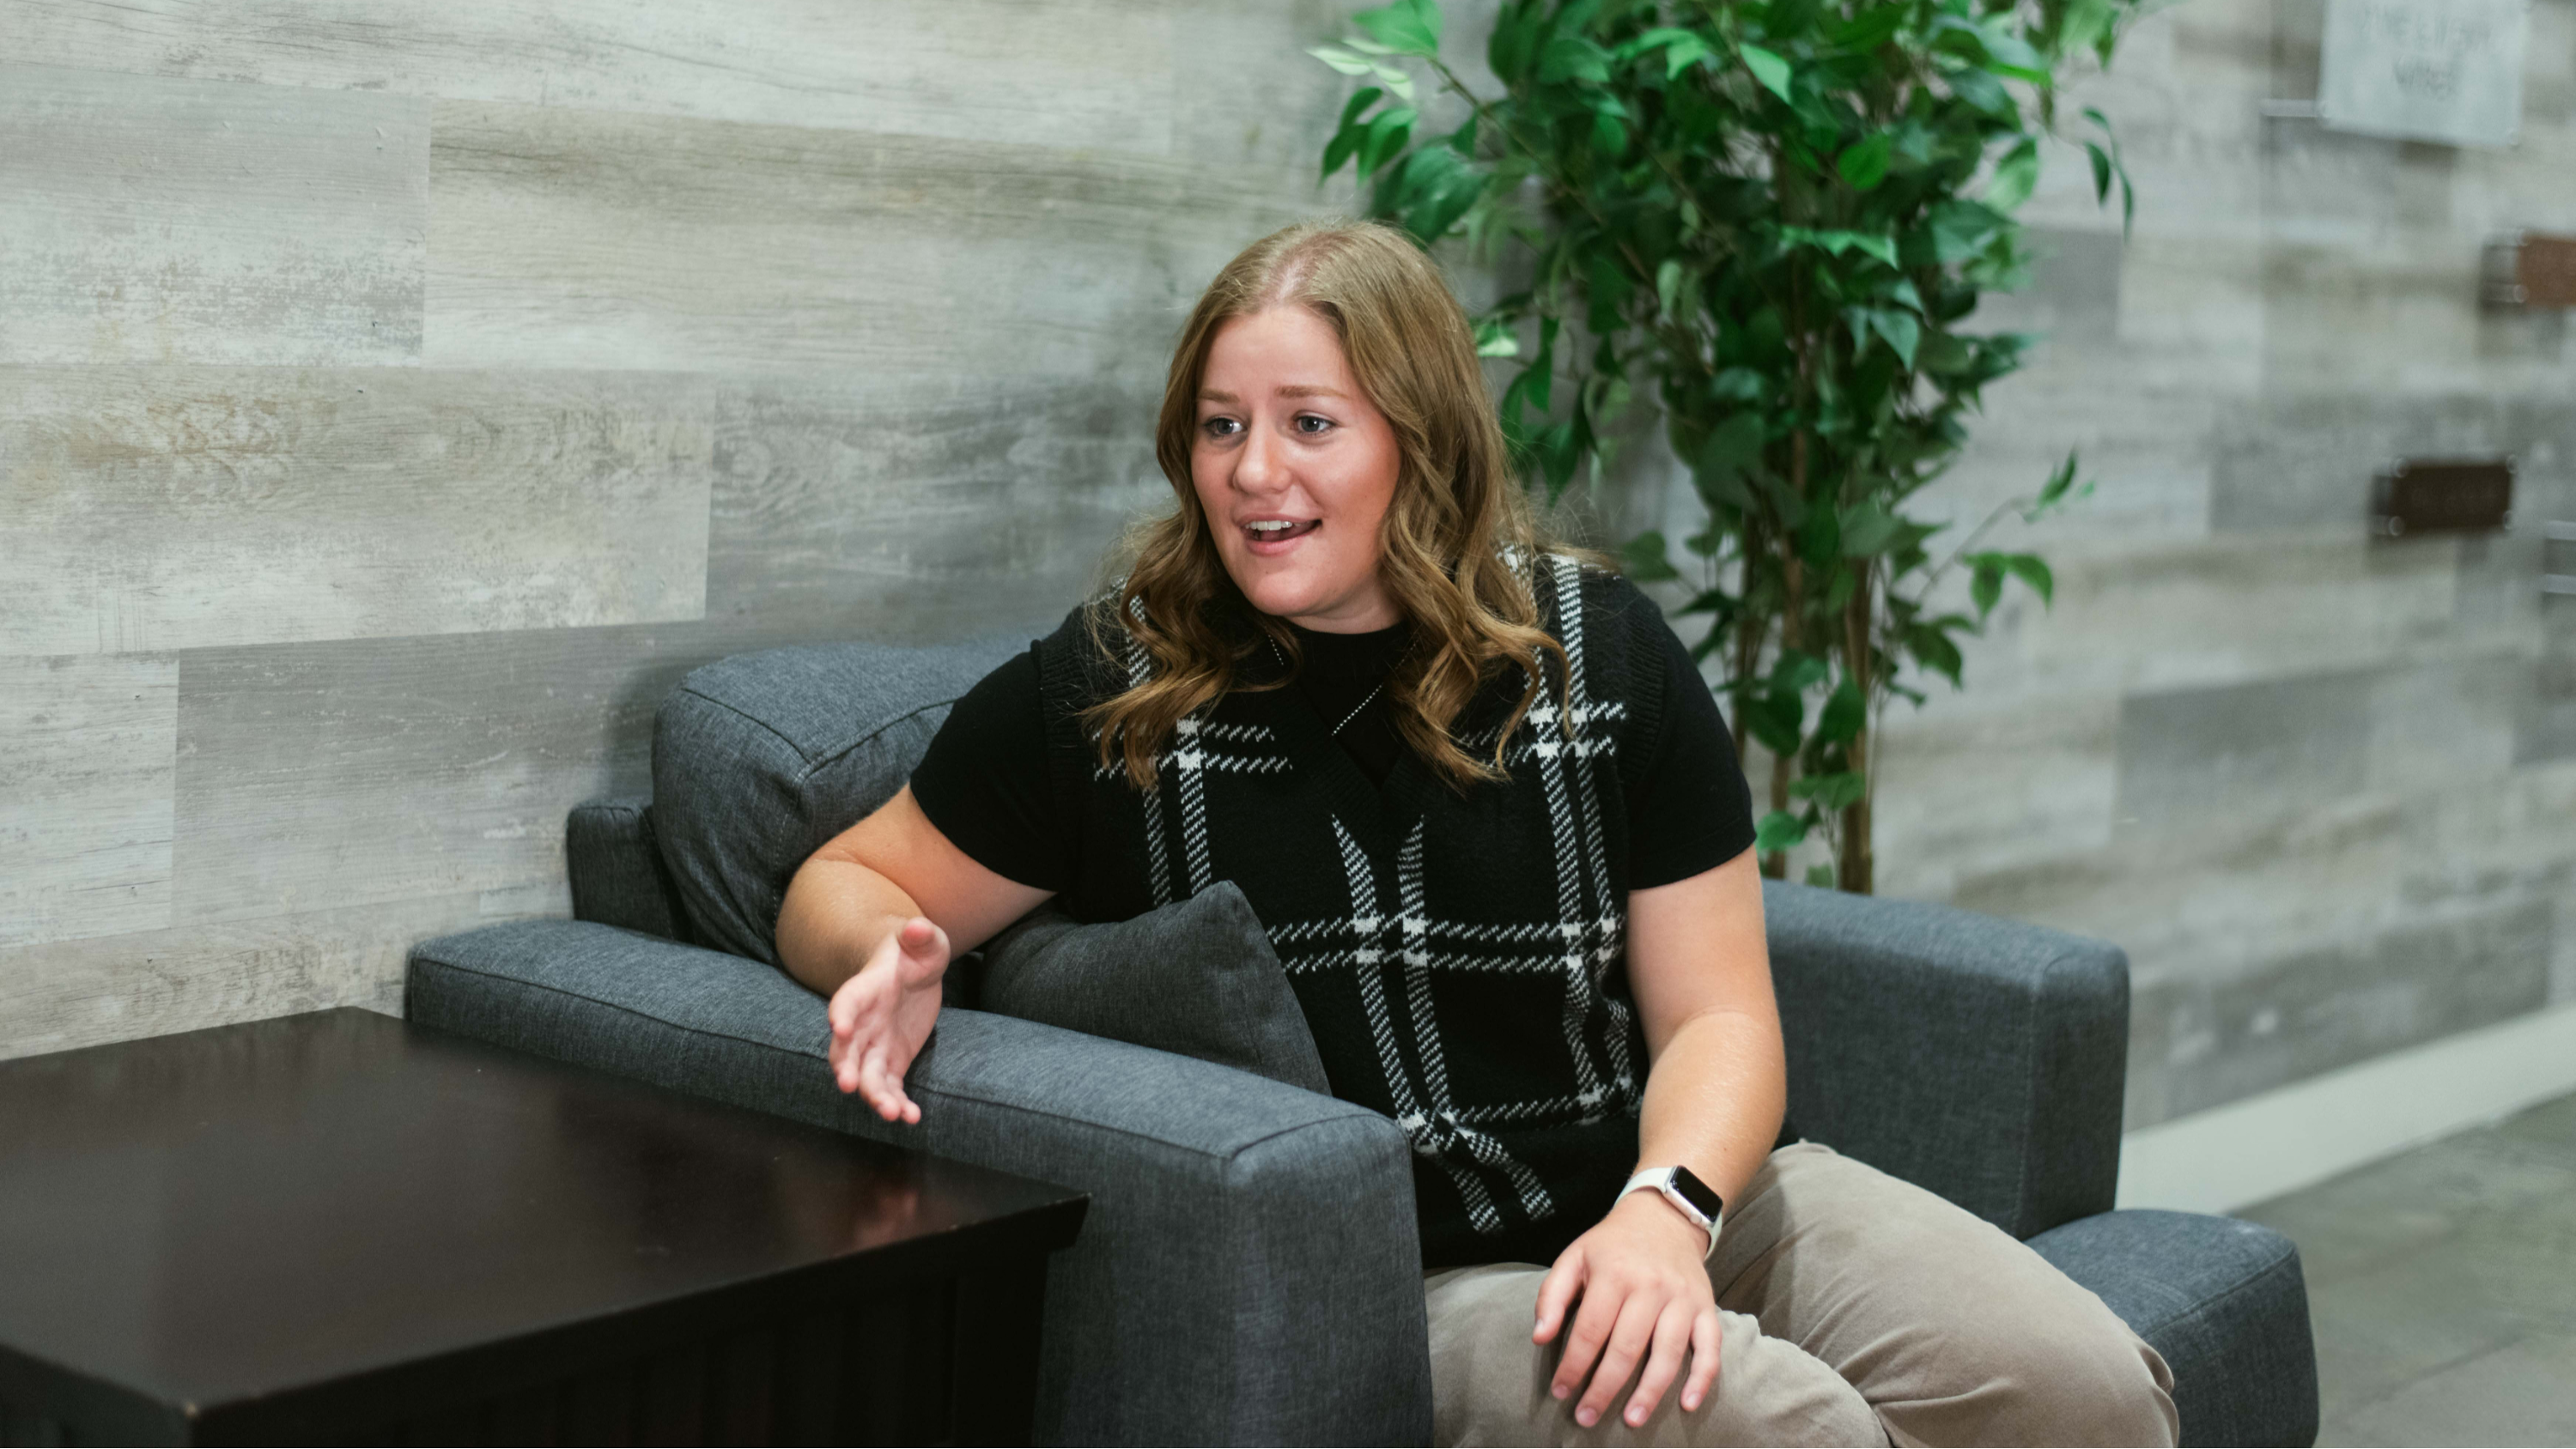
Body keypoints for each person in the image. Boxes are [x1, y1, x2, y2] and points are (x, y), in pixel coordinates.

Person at [775, 220, 2177, 1447]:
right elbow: (842, 882)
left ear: (1422, 438)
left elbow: (1720, 1018)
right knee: (1782, 1430)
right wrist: (883, 955)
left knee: (2087, 1389)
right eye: (1220, 425)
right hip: (1428, 1282)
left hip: (1678, 1188)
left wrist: (1666, 1211)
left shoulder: (1603, 656)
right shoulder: (1111, 695)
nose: (1254, 471)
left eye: (1310, 424)